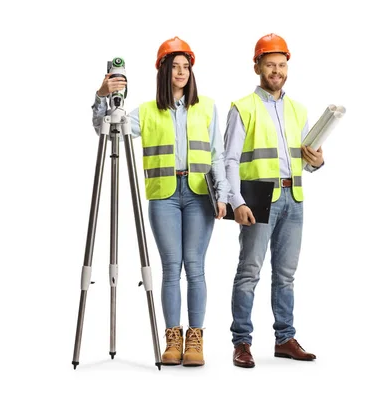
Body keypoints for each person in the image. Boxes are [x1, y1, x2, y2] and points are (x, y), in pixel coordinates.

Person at [92, 37, 230, 367]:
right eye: (175, 66)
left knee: (195, 268)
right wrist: (101, 96)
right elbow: (104, 129)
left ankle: (195, 340)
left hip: (199, 195)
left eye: (186, 67)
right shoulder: (146, 112)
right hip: (164, 196)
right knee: (171, 268)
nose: (181, 72)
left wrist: (222, 194)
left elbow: (218, 154)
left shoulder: (207, 106)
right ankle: (173, 338)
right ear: (164, 70)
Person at [224, 33, 325, 368]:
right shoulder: (243, 107)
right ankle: (242, 342)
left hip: (293, 199)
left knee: (286, 274)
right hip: (259, 200)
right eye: (270, 65)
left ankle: (284, 338)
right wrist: (236, 201)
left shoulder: (299, 109)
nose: (276, 70)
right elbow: (229, 160)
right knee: (249, 271)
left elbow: (307, 160)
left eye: (281, 65)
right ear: (257, 67)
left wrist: (317, 161)